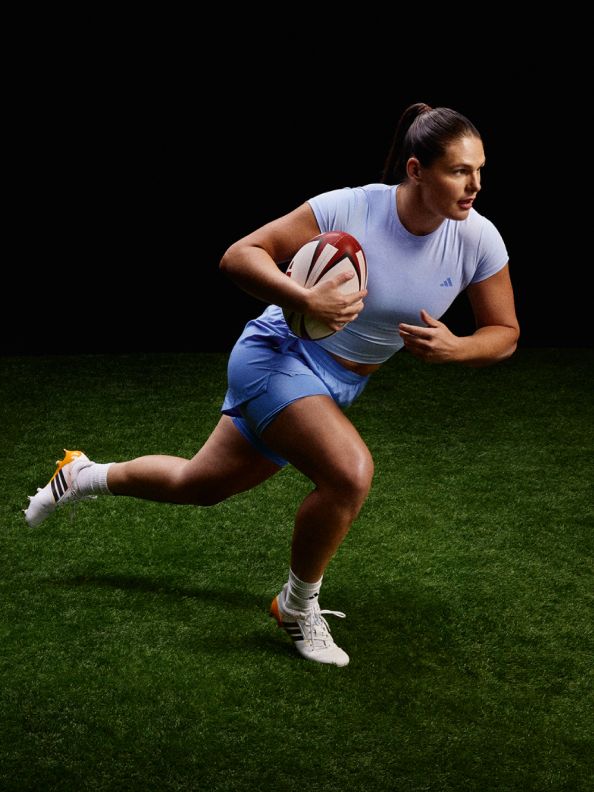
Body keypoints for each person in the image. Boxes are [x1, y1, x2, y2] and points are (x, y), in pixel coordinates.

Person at [24, 103, 519, 667]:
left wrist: (458, 349)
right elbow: (240, 256)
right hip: (276, 356)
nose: (475, 184)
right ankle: (296, 606)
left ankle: (82, 474)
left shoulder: (477, 237)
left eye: (480, 169)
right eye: (460, 170)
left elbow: (504, 333)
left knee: (199, 483)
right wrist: (305, 299)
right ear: (416, 170)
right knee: (350, 473)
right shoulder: (351, 206)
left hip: (337, 384)